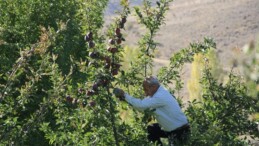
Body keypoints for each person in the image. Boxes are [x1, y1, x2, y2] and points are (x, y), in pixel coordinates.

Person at [113, 76, 190, 146]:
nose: (145, 93)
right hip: (172, 129)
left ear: (153, 87)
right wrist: (125, 99)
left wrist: (124, 95)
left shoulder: (160, 96)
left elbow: (141, 105)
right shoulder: (158, 93)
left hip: (179, 131)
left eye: (146, 90)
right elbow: (142, 105)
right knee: (152, 129)